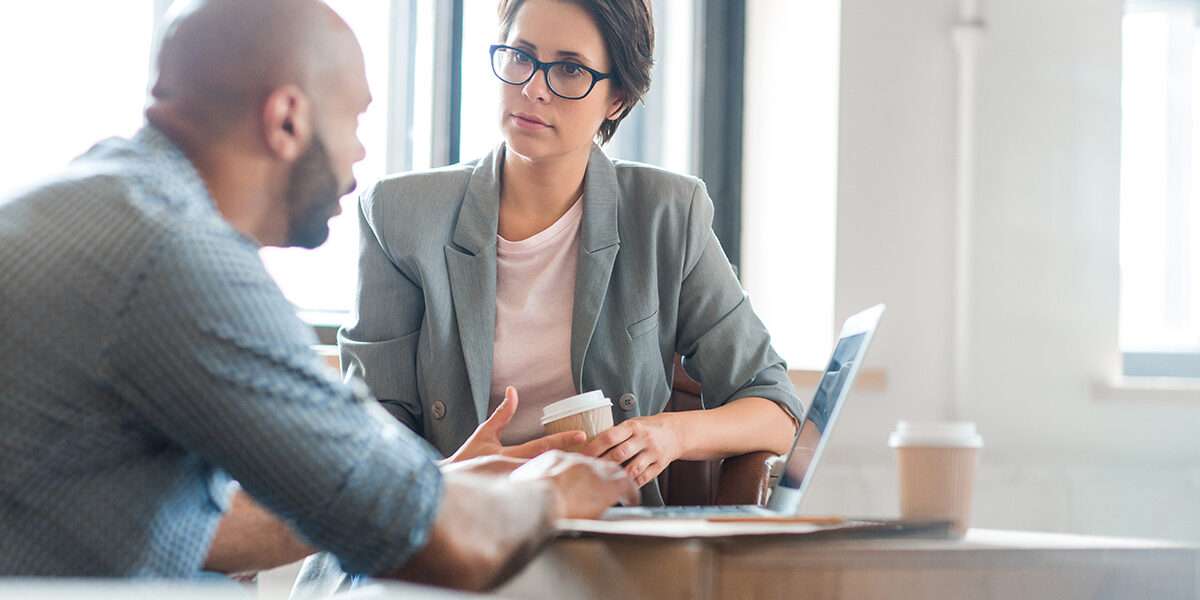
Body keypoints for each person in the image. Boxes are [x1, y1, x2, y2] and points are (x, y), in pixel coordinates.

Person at [0, 0, 636, 588]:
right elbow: (444, 547)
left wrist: (431, 485)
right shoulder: (181, 263)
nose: (361, 151)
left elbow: (216, 525)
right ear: (286, 119)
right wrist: (556, 489)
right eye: (354, 119)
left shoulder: (93, 202)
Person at [342, 0, 804, 505]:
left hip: (600, 539)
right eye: (520, 56)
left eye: (568, 69)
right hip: (444, 530)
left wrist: (670, 435)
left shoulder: (666, 214)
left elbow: (776, 410)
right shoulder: (397, 215)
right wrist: (448, 476)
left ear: (618, 99)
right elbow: (365, 432)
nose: (533, 87)